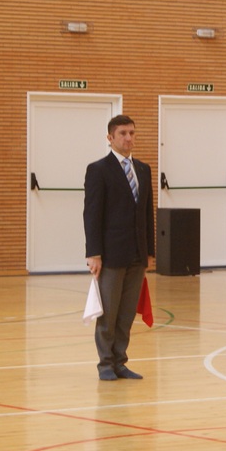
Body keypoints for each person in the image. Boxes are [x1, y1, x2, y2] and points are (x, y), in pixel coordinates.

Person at [84, 115, 155, 381]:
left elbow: (147, 212)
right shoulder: (99, 169)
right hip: (111, 255)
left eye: (132, 133)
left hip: (137, 254)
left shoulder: (144, 169)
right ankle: (105, 363)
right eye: (123, 133)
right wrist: (94, 253)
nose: (128, 138)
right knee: (109, 312)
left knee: (125, 313)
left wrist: (149, 250)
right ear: (110, 138)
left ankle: (120, 361)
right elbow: (91, 213)